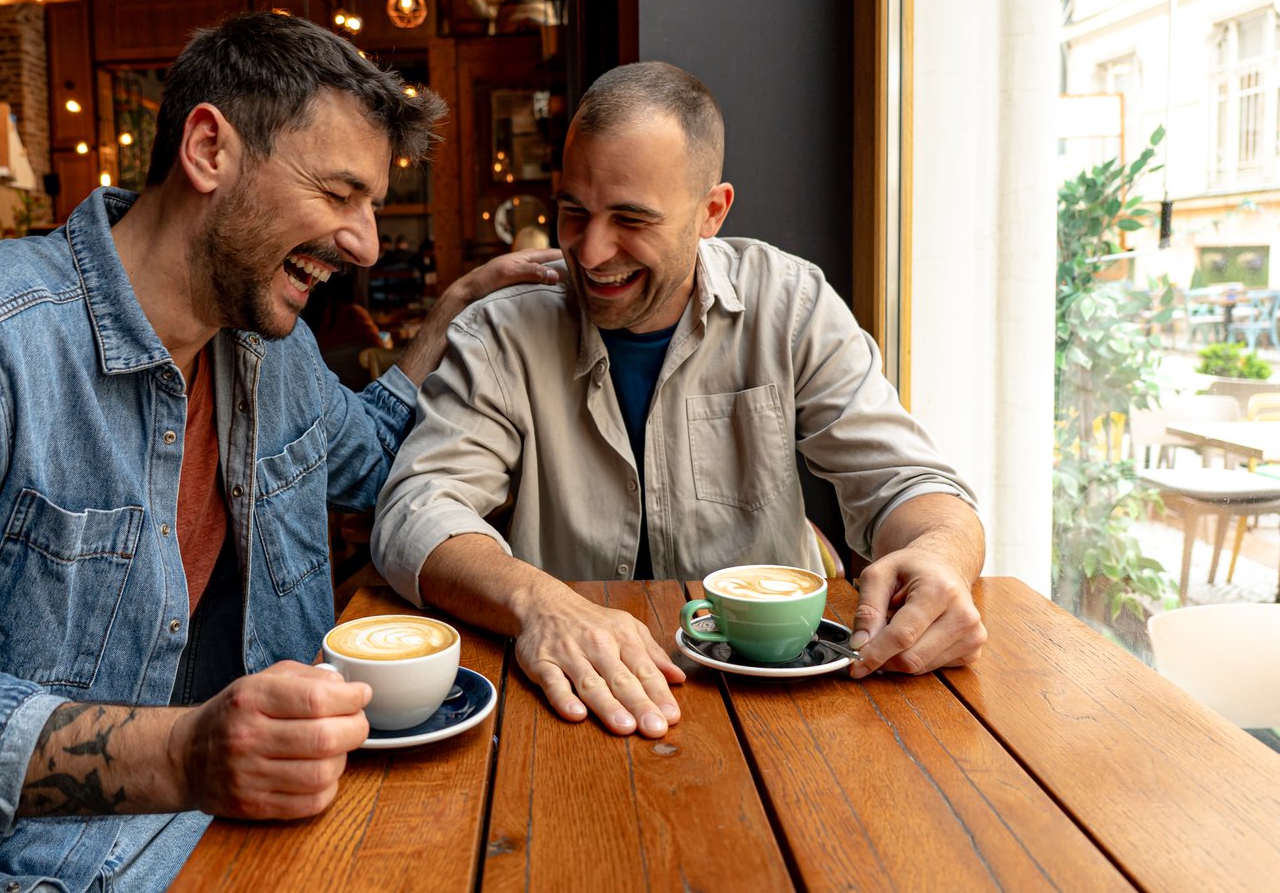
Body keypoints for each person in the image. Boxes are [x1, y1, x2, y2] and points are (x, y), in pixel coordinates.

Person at [0, 12, 558, 891]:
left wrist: (459, 312)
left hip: (192, 843)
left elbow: (377, 459)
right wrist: (186, 756)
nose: (364, 244)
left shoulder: (269, 354)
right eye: (339, 194)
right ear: (209, 150)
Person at [372, 61, 986, 741]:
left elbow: (908, 482)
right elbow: (414, 512)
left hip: (780, 704)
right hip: (575, 700)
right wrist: (540, 603)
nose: (591, 250)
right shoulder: (500, 334)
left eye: (631, 219)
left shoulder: (792, 306)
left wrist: (943, 556)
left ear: (711, 213)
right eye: (574, 211)